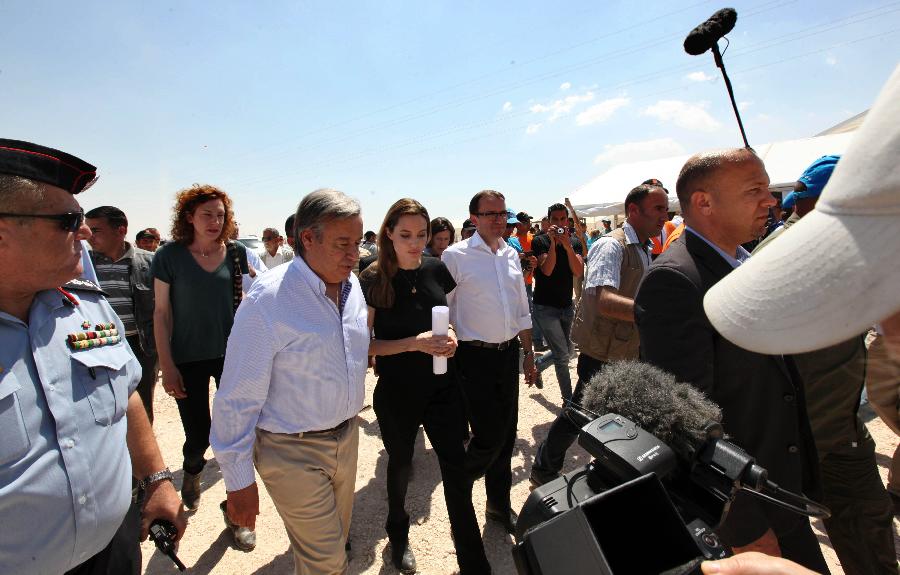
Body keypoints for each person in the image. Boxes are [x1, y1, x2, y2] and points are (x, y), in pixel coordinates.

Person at [703, 64, 900, 575]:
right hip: (823, 440)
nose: (887, 327)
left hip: (816, 438)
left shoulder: (764, 250)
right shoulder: (766, 255)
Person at [635, 148, 828, 572]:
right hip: (748, 511)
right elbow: (685, 419)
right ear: (704, 203)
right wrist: (742, 527)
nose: (771, 200)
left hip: (778, 492)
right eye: (755, 190)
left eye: (767, 187)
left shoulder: (744, 262)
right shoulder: (675, 280)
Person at [0, 139, 185, 573]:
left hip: (113, 551)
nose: (85, 232)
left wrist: (156, 479)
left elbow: (124, 393)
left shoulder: (87, 305)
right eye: (69, 221)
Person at [748, 155, 895, 574]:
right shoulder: (811, 254)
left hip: (805, 433)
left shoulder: (783, 249)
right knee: (868, 538)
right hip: (829, 437)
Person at [211, 189, 369, 573]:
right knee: (328, 562)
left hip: (346, 440)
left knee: (325, 552)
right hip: (291, 450)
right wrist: (238, 481)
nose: (354, 255)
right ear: (307, 238)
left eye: (358, 243)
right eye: (343, 244)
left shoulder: (352, 287)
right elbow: (237, 396)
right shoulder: (269, 299)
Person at [359, 199, 490, 574]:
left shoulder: (437, 268)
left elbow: (446, 319)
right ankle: (397, 533)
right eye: (405, 235)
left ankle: (471, 555)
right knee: (401, 465)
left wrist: (449, 337)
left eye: (421, 234)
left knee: (456, 466)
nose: (415, 243)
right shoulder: (372, 278)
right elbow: (362, 346)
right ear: (388, 233)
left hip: (443, 386)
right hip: (398, 390)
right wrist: (412, 343)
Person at [530, 184, 666, 485]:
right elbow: (602, 299)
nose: (664, 216)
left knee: (620, 411)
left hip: (627, 346)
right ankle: (544, 468)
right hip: (603, 348)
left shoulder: (643, 247)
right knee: (579, 412)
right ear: (633, 211)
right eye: (657, 209)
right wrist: (652, 314)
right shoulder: (612, 245)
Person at [151, 184, 255, 519]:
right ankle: (193, 471)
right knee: (198, 436)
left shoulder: (236, 252)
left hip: (231, 357)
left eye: (220, 215)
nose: (214, 221)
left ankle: (236, 511)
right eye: (206, 214)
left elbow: (252, 299)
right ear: (189, 217)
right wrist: (167, 364)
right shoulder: (169, 256)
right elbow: (161, 313)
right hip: (187, 359)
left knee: (237, 436)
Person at [442, 190, 538, 535]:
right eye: (491, 214)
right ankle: (460, 485)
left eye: (502, 214)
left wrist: (528, 354)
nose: (499, 220)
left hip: (507, 354)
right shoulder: (455, 257)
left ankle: (498, 505)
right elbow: (442, 307)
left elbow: (521, 310)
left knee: (507, 435)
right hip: (473, 357)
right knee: (489, 435)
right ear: (474, 218)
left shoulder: (510, 255)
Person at [85, 206, 158, 423]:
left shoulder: (149, 262)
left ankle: (141, 454)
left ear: (121, 231)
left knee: (142, 404)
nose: (89, 236)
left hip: (140, 345)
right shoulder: (83, 264)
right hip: (97, 345)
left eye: (96, 230)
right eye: (88, 230)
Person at [531, 203, 584, 399]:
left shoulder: (574, 242)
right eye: (556, 219)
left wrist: (568, 246)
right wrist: (554, 243)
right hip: (545, 307)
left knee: (568, 351)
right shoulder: (540, 241)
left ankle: (540, 363)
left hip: (565, 305)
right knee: (562, 356)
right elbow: (547, 270)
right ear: (549, 221)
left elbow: (578, 271)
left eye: (563, 219)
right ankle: (568, 403)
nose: (560, 223)